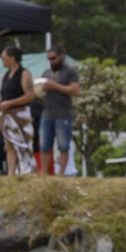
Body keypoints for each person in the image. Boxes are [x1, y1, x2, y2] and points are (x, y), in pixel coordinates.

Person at [0, 45, 38, 173]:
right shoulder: (5, 75)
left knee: (23, 146)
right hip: (7, 115)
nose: (2, 60)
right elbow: (3, 94)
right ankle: (11, 174)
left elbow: (30, 95)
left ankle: (27, 172)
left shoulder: (24, 74)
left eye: (4, 57)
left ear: (12, 58)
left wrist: (10, 103)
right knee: (9, 146)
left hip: (20, 115)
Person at [37, 46, 80, 176]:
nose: (51, 61)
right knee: (44, 145)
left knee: (63, 146)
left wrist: (54, 86)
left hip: (63, 114)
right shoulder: (46, 73)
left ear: (62, 56)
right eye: (49, 59)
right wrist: (39, 88)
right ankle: (43, 173)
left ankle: (61, 174)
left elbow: (75, 90)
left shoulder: (70, 71)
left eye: (54, 58)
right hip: (47, 113)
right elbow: (39, 93)